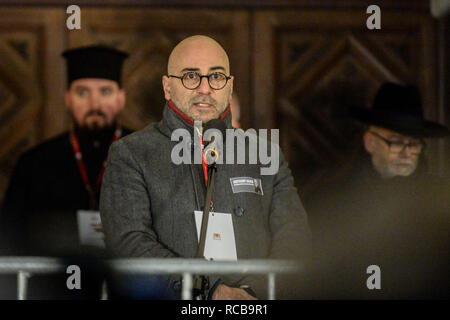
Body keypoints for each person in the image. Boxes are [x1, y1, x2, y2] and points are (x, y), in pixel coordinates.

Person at [100, 35, 311, 300]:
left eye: (216, 76)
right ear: (167, 87)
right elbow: (129, 243)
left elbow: (294, 240)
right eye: (190, 76)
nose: (205, 88)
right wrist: (209, 291)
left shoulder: (266, 154)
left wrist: (250, 294)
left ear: (229, 85)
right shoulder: (131, 154)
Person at [0, 45, 130, 299]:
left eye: (105, 92)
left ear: (121, 98)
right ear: (68, 99)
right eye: (83, 93)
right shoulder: (35, 163)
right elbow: (10, 237)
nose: (95, 104)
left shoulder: (145, 155)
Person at [303, 82, 449, 299]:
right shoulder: (338, 199)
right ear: (370, 142)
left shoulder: (439, 199)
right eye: (397, 142)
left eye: (414, 144)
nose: (406, 153)